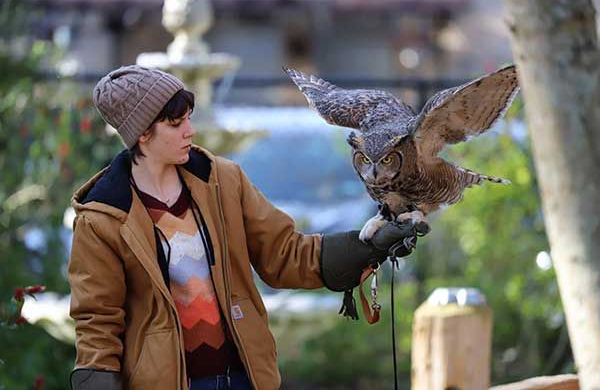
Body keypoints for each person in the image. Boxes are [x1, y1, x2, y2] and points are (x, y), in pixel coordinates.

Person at [68, 66, 424, 390]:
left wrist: (368, 246)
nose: (190, 130)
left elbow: (283, 254)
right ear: (142, 134)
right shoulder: (104, 217)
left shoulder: (223, 180)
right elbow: (97, 319)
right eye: (175, 124)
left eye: (189, 118)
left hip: (244, 378)